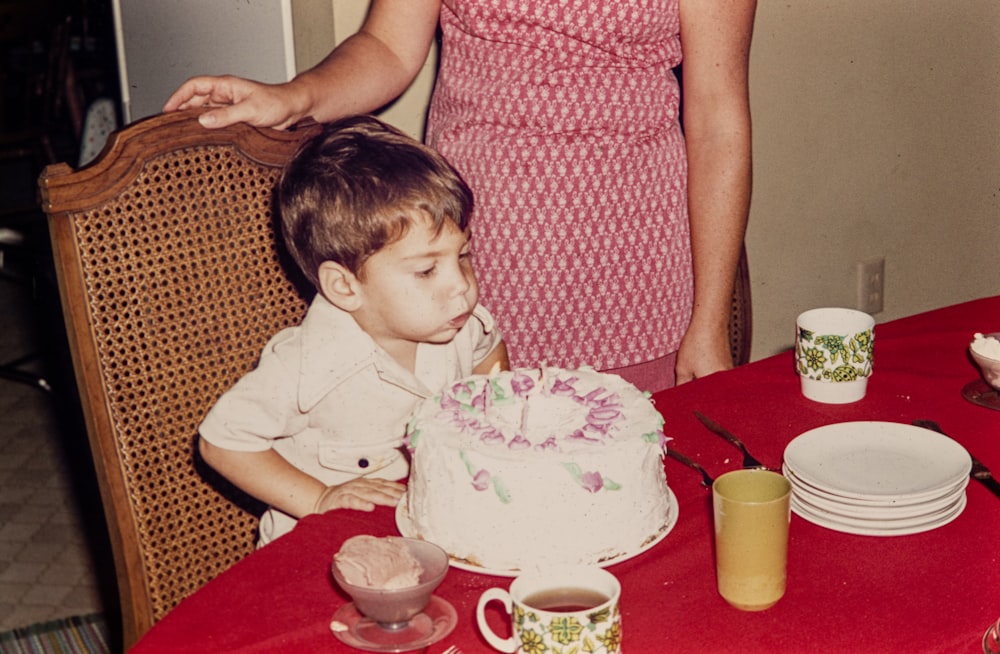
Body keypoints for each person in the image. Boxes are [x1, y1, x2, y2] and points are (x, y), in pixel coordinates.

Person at [165, 0, 755, 393]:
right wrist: (296, 97)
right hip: (464, 260)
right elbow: (389, 47)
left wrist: (707, 324)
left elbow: (717, 117)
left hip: (632, 277)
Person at [198, 115, 509, 545]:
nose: (460, 285)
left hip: (426, 530)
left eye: (464, 255)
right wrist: (321, 498)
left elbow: (490, 353)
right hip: (322, 552)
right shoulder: (302, 367)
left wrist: (486, 413)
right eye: (426, 270)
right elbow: (220, 441)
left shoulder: (459, 324)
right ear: (344, 286)